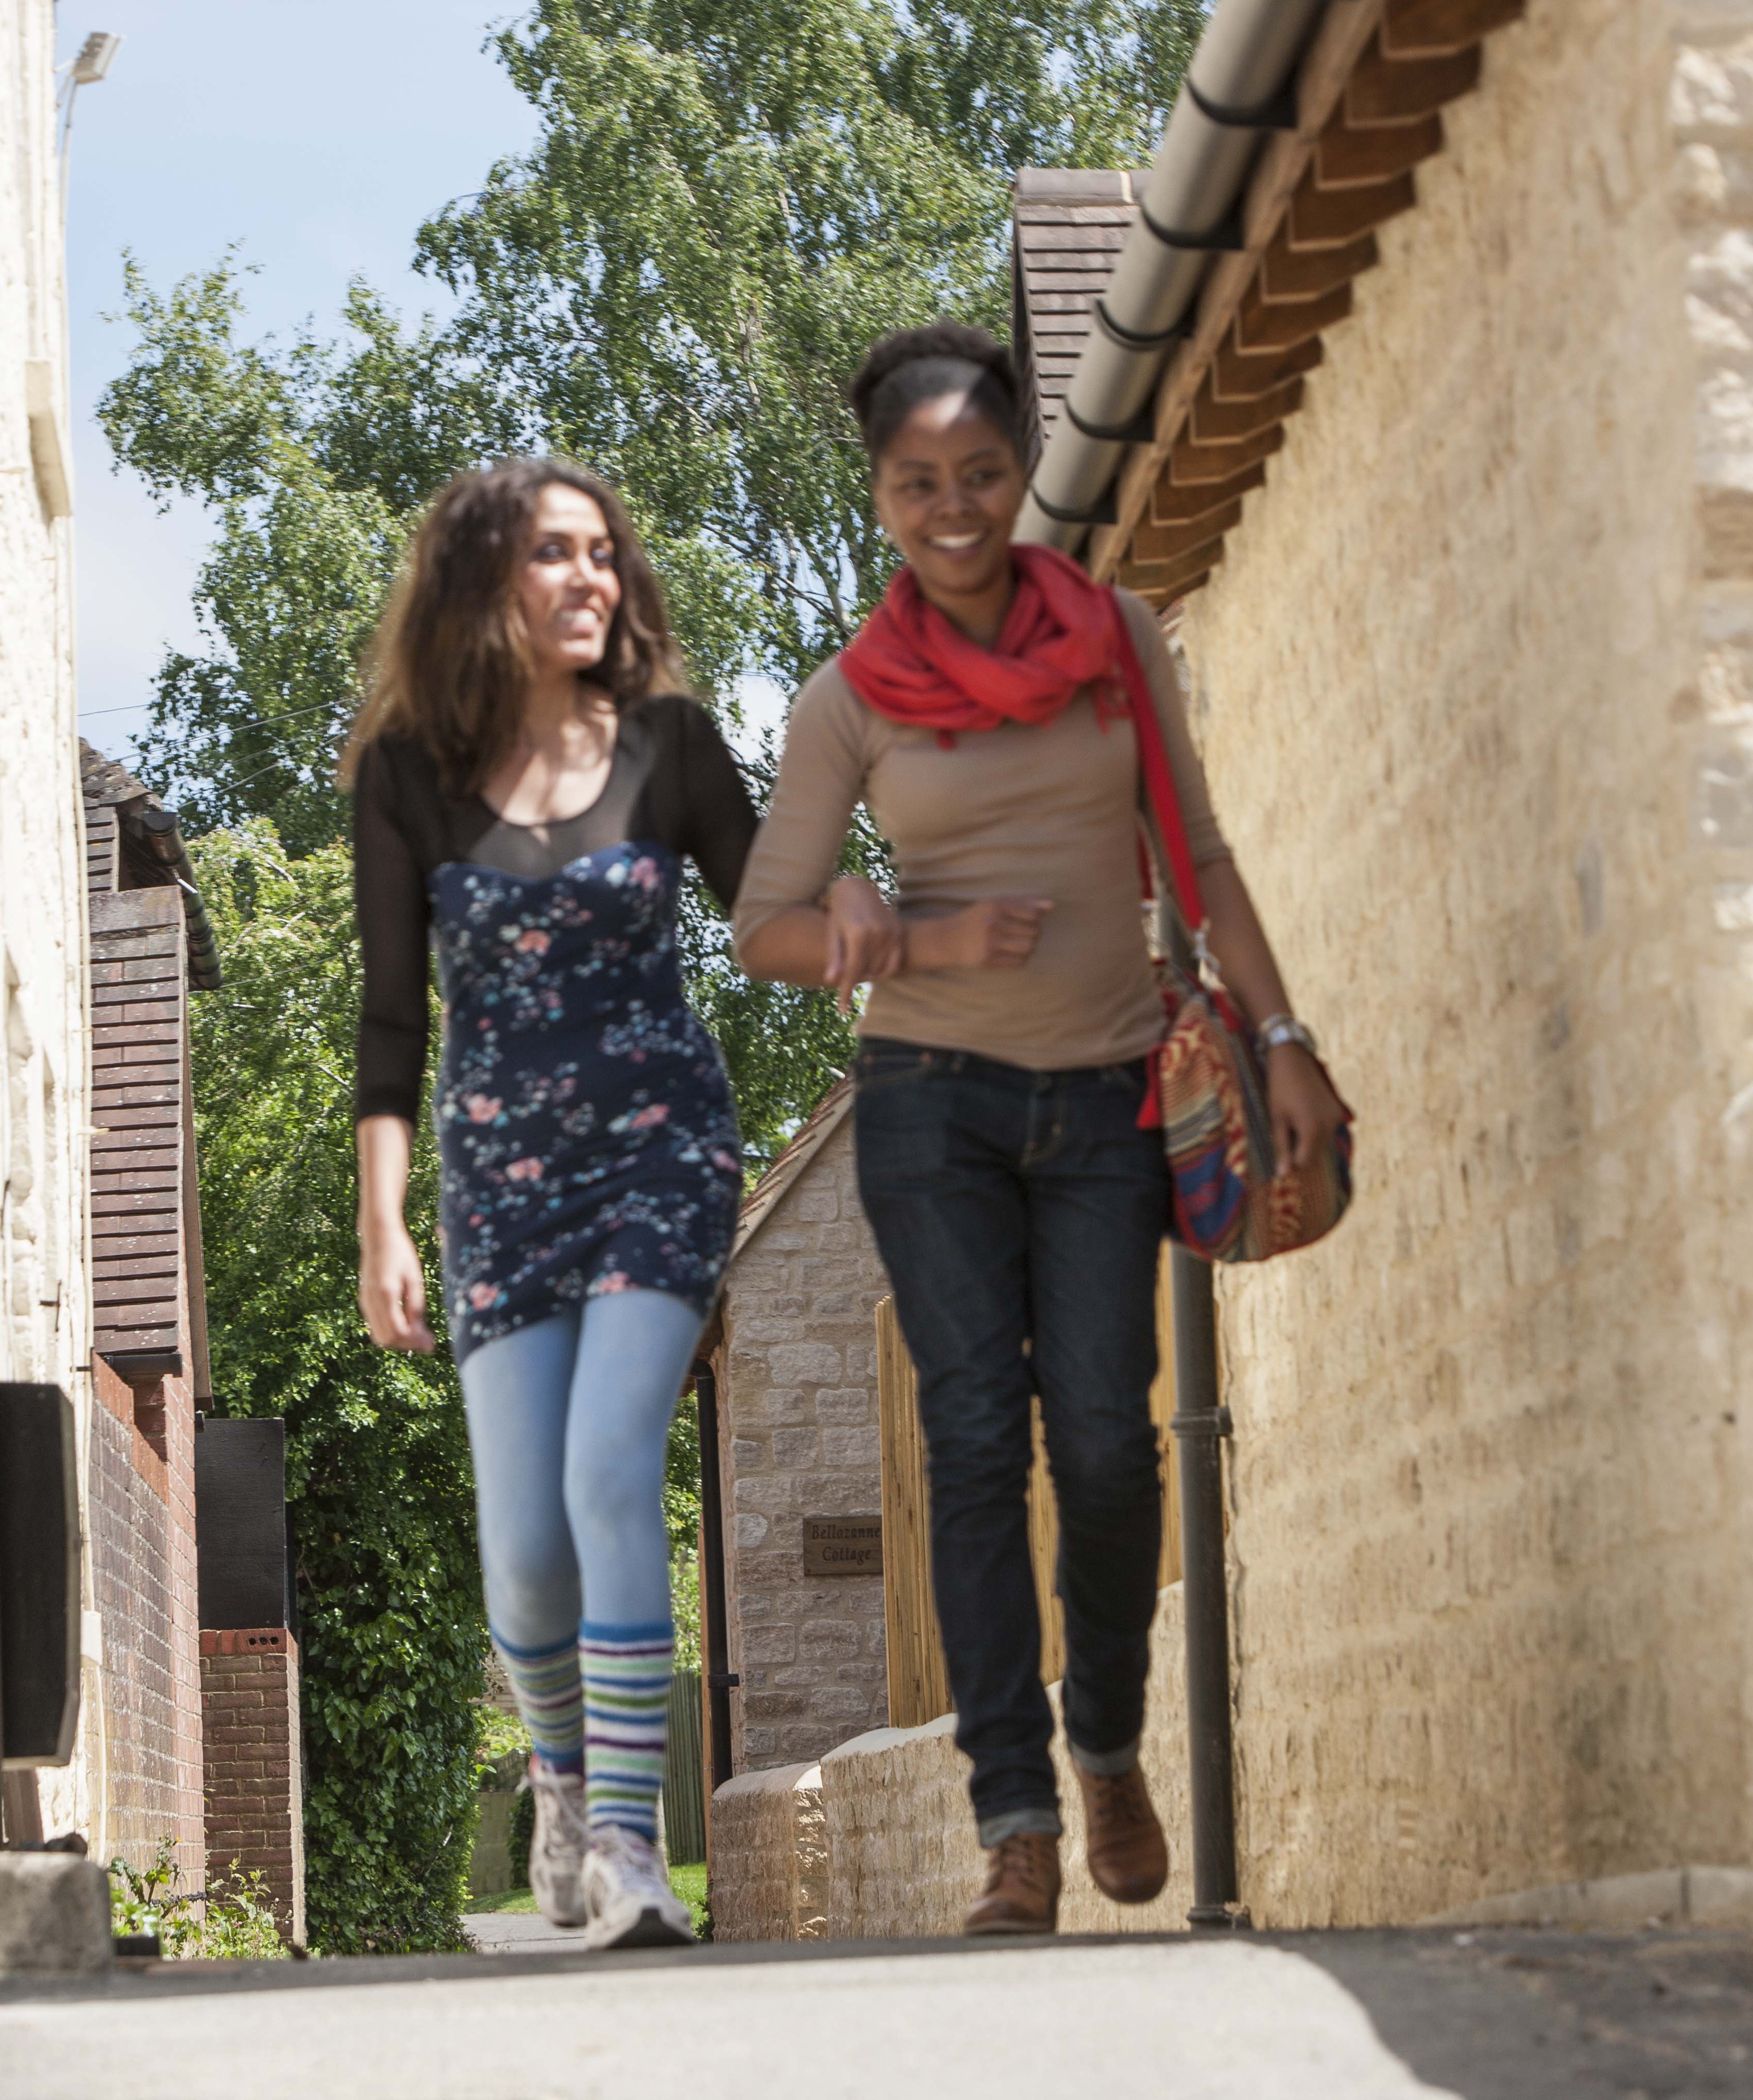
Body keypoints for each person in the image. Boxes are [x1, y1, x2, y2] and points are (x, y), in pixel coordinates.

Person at [732, 325, 1350, 1935]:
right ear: (879, 494)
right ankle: (1013, 1820)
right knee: (972, 1443)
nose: (952, 506)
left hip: (1106, 1092)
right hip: (928, 1103)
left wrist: (1282, 1036)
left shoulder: (1116, 639)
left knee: (1108, 1440)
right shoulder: (848, 701)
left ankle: (1108, 1746)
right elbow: (765, 928)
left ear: (1022, 472)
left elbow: (1200, 854)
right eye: (916, 481)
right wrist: (899, 928)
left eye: (981, 473)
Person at [350, 459, 866, 1947]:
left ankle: (632, 1847)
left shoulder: (669, 744)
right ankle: (565, 1787)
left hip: (662, 1154)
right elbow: (394, 1023)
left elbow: (767, 919)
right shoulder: (406, 774)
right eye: (553, 554)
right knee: (525, 1547)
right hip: (500, 1189)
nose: (591, 578)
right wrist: (383, 1223)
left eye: (603, 554)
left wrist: (862, 924)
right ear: (480, 582)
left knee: (610, 1471)